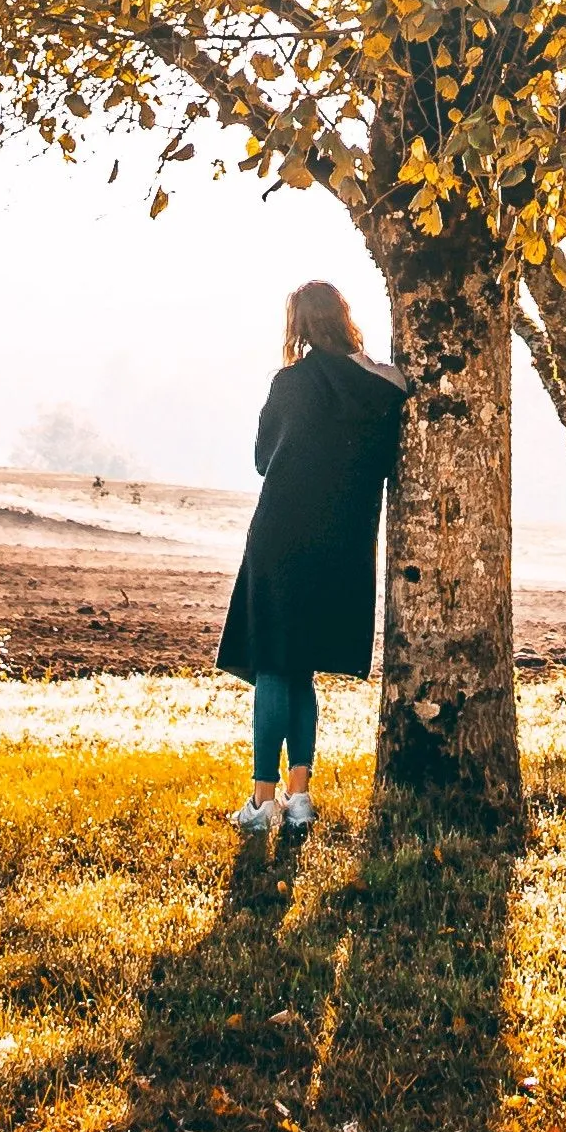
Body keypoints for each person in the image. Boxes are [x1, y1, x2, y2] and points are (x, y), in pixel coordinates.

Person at [218, 277, 403, 842]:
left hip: (282, 533)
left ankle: (262, 800)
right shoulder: (387, 385)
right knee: (300, 670)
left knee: (275, 664)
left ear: (298, 326)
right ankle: (300, 797)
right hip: (345, 542)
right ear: (344, 318)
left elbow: (260, 458)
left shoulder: (291, 383)